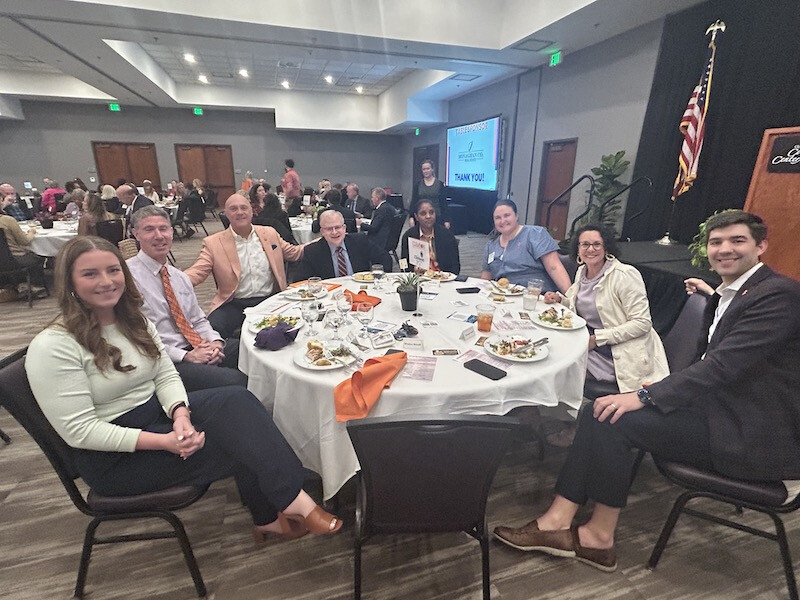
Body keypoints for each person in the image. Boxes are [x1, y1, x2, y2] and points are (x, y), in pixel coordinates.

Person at [493, 210, 800, 572]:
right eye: (716, 242)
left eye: (737, 241)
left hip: (751, 436)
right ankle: (559, 521)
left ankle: (597, 538)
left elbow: (722, 366)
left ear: (761, 245)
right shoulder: (737, 293)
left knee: (613, 417)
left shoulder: (779, 295)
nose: (724, 250)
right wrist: (663, 386)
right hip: (718, 411)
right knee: (601, 409)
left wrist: (643, 395)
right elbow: (717, 358)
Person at [25, 236, 342, 542]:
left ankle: (276, 512)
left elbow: (164, 376)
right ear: (69, 283)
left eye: (113, 270)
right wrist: (164, 441)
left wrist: (180, 414)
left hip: (153, 414)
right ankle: (285, 507)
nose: (106, 281)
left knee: (240, 402)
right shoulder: (54, 346)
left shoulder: (134, 322)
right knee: (244, 439)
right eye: (90, 274)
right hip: (113, 457)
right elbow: (79, 431)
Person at [540, 224, 669, 446]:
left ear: (606, 246)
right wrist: (560, 299)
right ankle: (546, 413)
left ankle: (573, 426)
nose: (590, 249)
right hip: (592, 342)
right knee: (550, 352)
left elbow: (642, 323)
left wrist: (597, 338)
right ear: (577, 249)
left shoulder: (625, 275)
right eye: (585, 244)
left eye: (596, 244)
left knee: (561, 365)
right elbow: (579, 303)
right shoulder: (583, 271)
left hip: (621, 351)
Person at [127, 206, 247, 392]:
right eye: (149, 230)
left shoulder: (179, 277)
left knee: (254, 352)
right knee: (238, 380)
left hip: (197, 344)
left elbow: (197, 320)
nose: (159, 236)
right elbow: (134, 336)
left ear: (171, 232)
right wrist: (186, 356)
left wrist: (214, 342)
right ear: (136, 234)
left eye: (164, 229)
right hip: (166, 360)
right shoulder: (127, 278)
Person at [185, 193, 305, 339]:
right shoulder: (214, 243)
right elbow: (198, 271)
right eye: (233, 209)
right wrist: (171, 280)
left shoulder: (269, 233)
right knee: (211, 332)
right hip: (234, 304)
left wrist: (326, 237)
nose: (240, 212)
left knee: (299, 326)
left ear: (251, 211)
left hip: (271, 300)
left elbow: (294, 253)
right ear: (226, 214)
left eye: (244, 208)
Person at [481, 199, 571, 293]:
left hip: (537, 295)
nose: (502, 221)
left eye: (507, 215)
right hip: (505, 297)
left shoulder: (535, 234)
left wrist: (570, 298)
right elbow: (486, 278)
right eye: (498, 218)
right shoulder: (491, 246)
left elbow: (554, 267)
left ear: (516, 216)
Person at [301, 210, 391, 279]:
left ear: (344, 228)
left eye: (337, 227)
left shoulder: (360, 241)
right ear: (322, 232)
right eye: (329, 229)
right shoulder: (312, 251)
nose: (334, 232)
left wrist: (378, 280)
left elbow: (385, 258)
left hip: (361, 293)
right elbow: (300, 281)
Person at [401, 199, 460, 275]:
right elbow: (403, 263)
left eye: (431, 212)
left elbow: (455, 266)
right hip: (418, 278)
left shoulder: (447, 235)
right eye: (423, 213)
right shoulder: (408, 236)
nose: (428, 216)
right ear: (416, 217)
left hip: (442, 279)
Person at [0, 193, 45, 285]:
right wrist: (31, 232)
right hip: (14, 258)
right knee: (40, 255)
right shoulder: (7, 220)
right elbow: (24, 241)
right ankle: (37, 285)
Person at [410, 159, 449, 229]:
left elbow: (444, 203)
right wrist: (411, 217)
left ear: (432, 169)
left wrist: (446, 220)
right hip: (421, 217)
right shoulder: (418, 184)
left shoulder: (440, 184)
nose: (426, 171)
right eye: (424, 169)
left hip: (437, 217)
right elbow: (414, 202)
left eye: (428, 168)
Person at [359, 187, 397, 254]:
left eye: (372, 197)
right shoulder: (391, 207)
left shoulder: (381, 210)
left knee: (358, 239)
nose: (372, 199)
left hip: (379, 240)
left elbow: (373, 228)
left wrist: (360, 224)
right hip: (389, 239)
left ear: (377, 198)